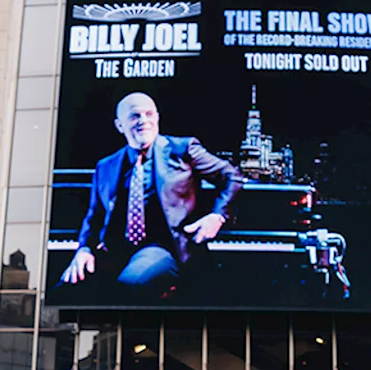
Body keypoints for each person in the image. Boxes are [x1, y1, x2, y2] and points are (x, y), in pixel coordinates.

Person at [60, 92, 241, 297]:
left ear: (157, 118)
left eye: (149, 114)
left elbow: (231, 176)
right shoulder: (106, 166)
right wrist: (84, 249)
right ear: (120, 126)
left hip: (163, 249)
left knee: (128, 286)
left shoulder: (182, 150)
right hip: (114, 251)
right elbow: (94, 216)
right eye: (135, 116)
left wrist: (217, 216)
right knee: (64, 289)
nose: (143, 121)